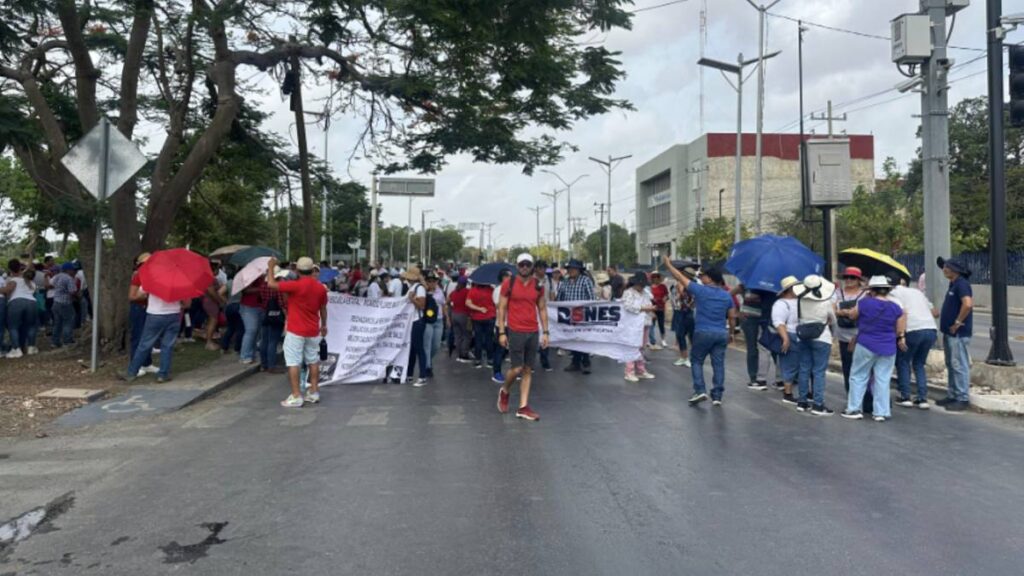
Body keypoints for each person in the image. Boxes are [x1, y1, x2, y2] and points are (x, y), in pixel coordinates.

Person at [663, 256, 735, 406]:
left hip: (703, 332)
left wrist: (669, 265)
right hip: (721, 333)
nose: (701, 278)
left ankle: (700, 390)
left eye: (703, 276)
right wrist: (732, 333)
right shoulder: (727, 296)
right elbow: (732, 316)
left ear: (709, 278)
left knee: (696, 360)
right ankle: (717, 396)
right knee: (718, 364)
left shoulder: (701, 291)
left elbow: (679, 277)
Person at [842, 276, 907, 422]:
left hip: (866, 343)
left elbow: (852, 315)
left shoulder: (864, 303)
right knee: (882, 379)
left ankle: (854, 409)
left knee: (858, 376)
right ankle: (881, 412)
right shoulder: (895, 307)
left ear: (871, 290)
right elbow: (899, 329)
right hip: (888, 346)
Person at [266, 256, 328, 407]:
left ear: (298, 271)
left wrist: (270, 267)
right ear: (313, 270)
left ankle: (296, 395)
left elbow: (271, 283)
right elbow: (323, 309)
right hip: (313, 329)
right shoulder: (320, 288)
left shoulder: (294, 285)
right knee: (313, 360)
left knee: (293, 362)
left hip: (296, 330)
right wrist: (324, 325)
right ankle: (314, 392)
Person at [496, 253, 549, 421]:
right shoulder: (508, 283)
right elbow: (502, 308)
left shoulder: (538, 286)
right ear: (517, 266)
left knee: (527, 369)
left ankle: (523, 407)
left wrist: (546, 332)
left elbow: (542, 309)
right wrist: (502, 332)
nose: (524, 267)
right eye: (521, 264)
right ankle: (505, 390)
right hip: (515, 330)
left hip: (532, 330)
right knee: (516, 368)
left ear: (531, 266)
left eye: (527, 264)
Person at [124, 277, 188, 383]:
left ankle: (132, 372)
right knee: (167, 346)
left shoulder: (152, 279)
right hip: (174, 314)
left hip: (155, 314)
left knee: (145, 344)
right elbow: (186, 303)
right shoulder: (180, 280)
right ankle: (163, 374)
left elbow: (138, 295)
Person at [891, 279, 938, 409]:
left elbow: (900, 313)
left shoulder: (894, 294)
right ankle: (922, 398)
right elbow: (935, 312)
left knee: (903, 361)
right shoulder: (917, 292)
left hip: (912, 330)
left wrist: (899, 335)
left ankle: (905, 396)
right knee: (919, 363)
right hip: (930, 329)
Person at [793, 275, 837, 415]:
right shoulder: (826, 301)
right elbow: (833, 320)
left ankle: (802, 401)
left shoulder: (800, 299)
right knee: (818, 371)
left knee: (804, 368)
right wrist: (833, 335)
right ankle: (818, 405)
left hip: (803, 336)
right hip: (822, 337)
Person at [937, 257, 974, 412]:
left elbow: (967, 304)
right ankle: (953, 394)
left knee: (959, 364)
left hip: (958, 333)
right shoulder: (953, 284)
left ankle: (962, 397)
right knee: (951, 364)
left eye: (947, 266)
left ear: (955, 270)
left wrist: (958, 322)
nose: (944, 269)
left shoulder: (962, 284)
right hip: (949, 332)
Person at [833, 267, 871, 412]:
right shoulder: (837, 293)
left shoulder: (865, 295)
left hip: (860, 335)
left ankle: (866, 399)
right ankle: (852, 397)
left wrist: (851, 313)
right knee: (847, 368)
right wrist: (841, 312)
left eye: (852, 278)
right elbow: (832, 308)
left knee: (863, 369)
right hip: (843, 335)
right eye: (846, 277)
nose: (848, 280)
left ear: (859, 280)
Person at [557, 259, 595, 374]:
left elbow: (591, 298)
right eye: (569, 269)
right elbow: (560, 298)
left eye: (574, 269)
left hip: (582, 315)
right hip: (569, 316)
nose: (571, 271)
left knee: (583, 339)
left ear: (579, 270)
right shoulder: (565, 282)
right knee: (573, 339)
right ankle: (575, 362)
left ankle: (586, 362)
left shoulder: (585, 281)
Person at [622, 272, 657, 382]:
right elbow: (627, 306)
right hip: (632, 324)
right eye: (640, 285)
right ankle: (629, 371)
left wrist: (651, 309)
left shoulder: (646, 292)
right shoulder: (628, 293)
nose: (641, 287)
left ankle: (641, 370)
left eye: (643, 285)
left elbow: (650, 301)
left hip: (644, 322)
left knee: (641, 347)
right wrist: (643, 308)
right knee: (632, 346)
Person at [1, 259, 40, 358]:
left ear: (10, 269)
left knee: (13, 327)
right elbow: (34, 292)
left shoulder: (13, 280)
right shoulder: (30, 282)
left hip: (16, 303)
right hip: (32, 303)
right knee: (31, 326)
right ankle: (31, 347)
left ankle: (16, 349)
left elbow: (8, 290)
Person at [772, 276, 802, 405]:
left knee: (800, 365)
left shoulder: (800, 300)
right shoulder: (781, 304)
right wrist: (785, 338)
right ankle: (787, 393)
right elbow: (779, 322)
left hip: (801, 335)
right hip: (790, 334)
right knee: (789, 364)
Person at [401, 267, 430, 386]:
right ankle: (409, 374)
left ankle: (422, 376)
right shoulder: (413, 288)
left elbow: (422, 305)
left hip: (417, 321)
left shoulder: (419, 289)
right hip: (412, 321)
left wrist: (412, 299)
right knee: (412, 349)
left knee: (418, 349)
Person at [259, 267, 288, 374]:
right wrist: (287, 316)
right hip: (276, 314)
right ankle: (271, 365)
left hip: (265, 312)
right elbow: (281, 303)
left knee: (264, 340)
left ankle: (264, 364)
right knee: (273, 341)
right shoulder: (278, 286)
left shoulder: (263, 285)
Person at [421, 272, 445, 383]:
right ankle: (428, 367)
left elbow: (444, 305)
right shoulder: (423, 292)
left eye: (434, 281)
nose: (432, 283)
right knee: (427, 345)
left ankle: (427, 359)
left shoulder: (440, 291)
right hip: (428, 321)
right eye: (429, 281)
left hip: (439, 320)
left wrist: (447, 318)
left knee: (436, 345)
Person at [490, 269, 514, 384]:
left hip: (513, 323)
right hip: (502, 324)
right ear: (503, 277)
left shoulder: (513, 288)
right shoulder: (498, 290)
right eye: (508, 276)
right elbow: (499, 306)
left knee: (512, 349)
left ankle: (515, 370)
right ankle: (496, 372)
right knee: (500, 349)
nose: (511, 278)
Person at [466, 279, 496, 370]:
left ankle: (478, 360)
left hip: (477, 318)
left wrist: (479, 309)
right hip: (490, 317)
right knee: (489, 339)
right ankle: (490, 360)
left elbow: (467, 303)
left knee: (478, 339)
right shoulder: (491, 290)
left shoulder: (473, 290)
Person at [239, 275, 267, 365]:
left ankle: (252, 354)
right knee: (251, 330)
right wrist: (260, 289)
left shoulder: (263, 277)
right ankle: (245, 355)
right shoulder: (250, 276)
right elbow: (245, 290)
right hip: (249, 306)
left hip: (260, 306)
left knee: (256, 332)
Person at [532, 261, 554, 371]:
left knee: (546, 334)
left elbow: (552, 293)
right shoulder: (530, 280)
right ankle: (529, 362)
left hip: (546, 309)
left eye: (544, 268)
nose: (542, 271)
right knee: (533, 335)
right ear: (535, 269)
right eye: (540, 268)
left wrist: (553, 305)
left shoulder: (548, 279)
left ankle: (545, 360)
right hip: (533, 310)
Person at [49, 263, 78, 348]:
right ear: (68, 270)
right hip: (65, 303)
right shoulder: (69, 278)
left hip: (56, 302)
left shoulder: (57, 276)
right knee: (68, 322)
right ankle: (67, 341)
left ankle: (55, 342)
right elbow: (72, 291)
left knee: (57, 323)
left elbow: (52, 285)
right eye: (73, 270)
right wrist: (77, 297)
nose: (74, 271)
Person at [670, 279, 694, 367]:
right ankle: (683, 357)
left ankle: (693, 358)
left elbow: (689, 301)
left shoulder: (691, 285)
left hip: (688, 312)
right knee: (680, 335)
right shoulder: (675, 284)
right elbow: (673, 297)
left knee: (691, 336)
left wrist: (680, 290)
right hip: (678, 311)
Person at [447, 277, 473, 362]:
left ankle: (459, 354)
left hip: (454, 314)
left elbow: (448, 301)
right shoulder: (467, 291)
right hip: (464, 315)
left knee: (458, 335)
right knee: (466, 335)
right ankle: (464, 355)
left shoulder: (454, 292)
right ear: (465, 283)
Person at [648, 272, 668, 349]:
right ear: (652, 279)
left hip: (661, 307)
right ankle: (651, 341)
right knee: (651, 325)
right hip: (652, 308)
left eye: (657, 277)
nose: (656, 279)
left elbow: (666, 295)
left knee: (661, 324)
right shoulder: (650, 287)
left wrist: (665, 299)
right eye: (654, 277)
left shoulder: (663, 286)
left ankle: (663, 340)